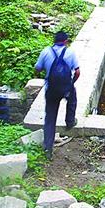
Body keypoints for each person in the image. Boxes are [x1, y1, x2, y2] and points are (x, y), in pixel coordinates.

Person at [35, 31, 80, 159]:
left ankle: (48, 149)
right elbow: (77, 72)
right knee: (72, 100)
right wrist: (71, 84)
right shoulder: (70, 52)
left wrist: (40, 75)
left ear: (54, 41)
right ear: (65, 41)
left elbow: (37, 68)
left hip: (51, 89)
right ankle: (70, 121)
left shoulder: (46, 51)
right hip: (66, 88)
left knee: (50, 117)